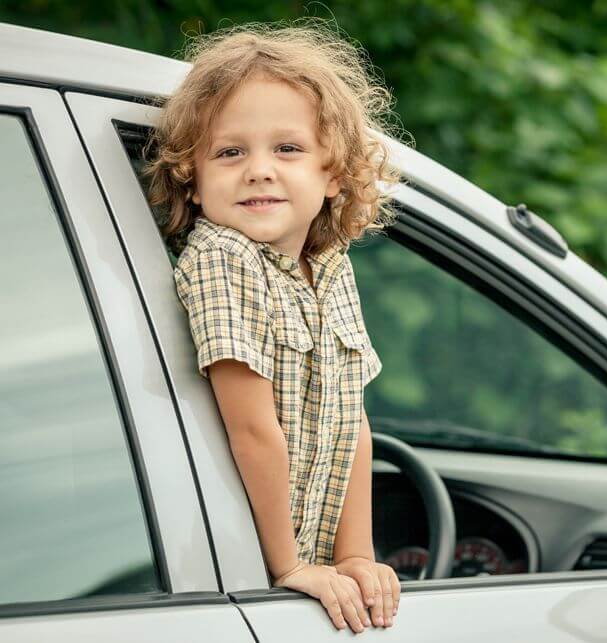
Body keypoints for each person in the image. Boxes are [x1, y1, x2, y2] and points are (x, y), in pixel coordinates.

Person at [144, 21, 406, 633]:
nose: (259, 170)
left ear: (333, 172)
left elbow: (352, 422)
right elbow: (253, 430)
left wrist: (354, 556)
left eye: (286, 149)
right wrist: (290, 566)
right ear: (192, 175)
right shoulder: (222, 259)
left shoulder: (330, 267)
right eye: (230, 152)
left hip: (305, 574)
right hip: (247, 578)